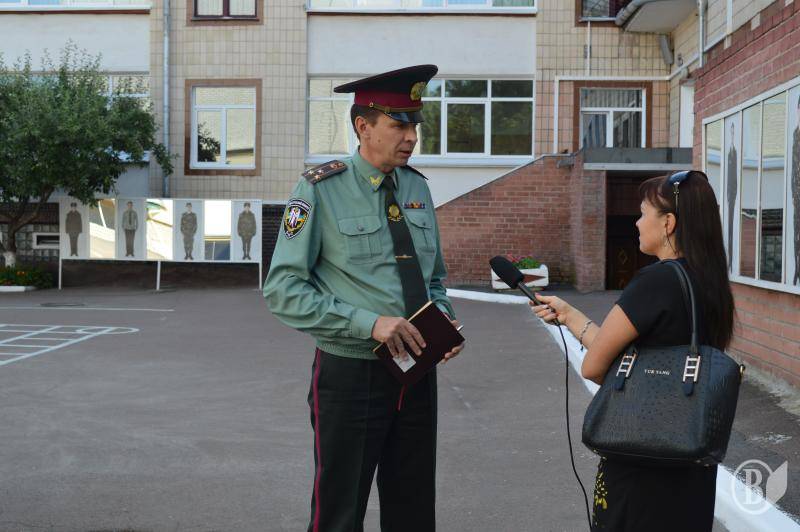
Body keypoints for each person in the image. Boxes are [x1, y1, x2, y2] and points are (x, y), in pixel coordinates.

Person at [264, 64, 464, 532]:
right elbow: (283, 289)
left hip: (417, 372)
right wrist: (369, 323)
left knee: (414, 510)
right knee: (339, 511)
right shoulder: (320, 190)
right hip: (350, 374)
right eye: (399, 124)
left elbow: (433, 279)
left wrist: (443, 319)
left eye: (415, 124)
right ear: (363, 126)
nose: (411, 136)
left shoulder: (416, 187)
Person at [530, 170, 734, 532]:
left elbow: (595, 367)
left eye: (642, 214)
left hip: (641, 459)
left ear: (668, 223)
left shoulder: (655, 281)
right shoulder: (708, 280)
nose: (636, 223)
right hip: (690, 461)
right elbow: (637, 361)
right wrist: (571, 315)